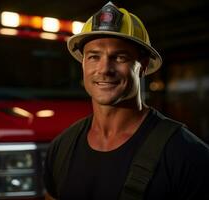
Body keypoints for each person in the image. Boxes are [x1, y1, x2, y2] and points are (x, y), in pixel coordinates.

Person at [43, 1, 209, 200]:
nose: (104, 69)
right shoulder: (62, 147)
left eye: (120, 57)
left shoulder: (187, 154)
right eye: (94, 57)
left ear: (143, 66)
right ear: (83, 64)